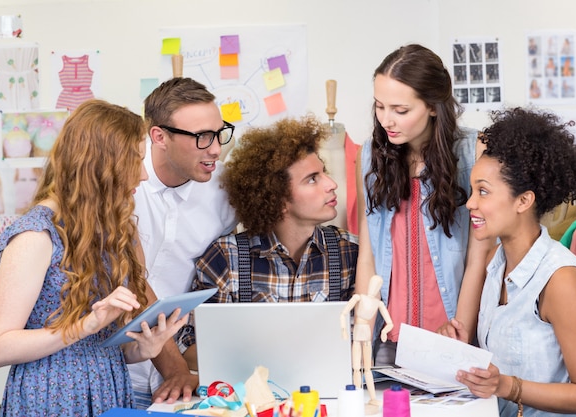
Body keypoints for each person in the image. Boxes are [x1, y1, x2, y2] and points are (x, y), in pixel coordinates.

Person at [0, 100, 189, 416]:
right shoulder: (36, 235)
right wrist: (87, 324)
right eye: (135, 160)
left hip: (109, 392)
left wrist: (143, 348)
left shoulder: (111, 232)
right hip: (49, 399)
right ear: (100, 163)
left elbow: (102, 347)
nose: (142, 175)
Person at [450, 107, 576, 417]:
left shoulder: (561, 280)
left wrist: (508, 387)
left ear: (524, 200)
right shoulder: (496, 262)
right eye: (472, 191)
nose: (470, 203)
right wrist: (456, 351)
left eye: (483, 191)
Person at [178, 115, 358, 369]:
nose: (332, 184)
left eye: (324, 173)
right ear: (278, 199)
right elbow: (187, 344)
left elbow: (362, 345)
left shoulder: (350, 252)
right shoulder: (226, 258)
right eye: (312, 179)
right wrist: (260, 357)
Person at [356, 44, 493, 366]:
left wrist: (461, 330)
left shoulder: (474, 152)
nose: (387, 120)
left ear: (433, 107)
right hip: (390, 335)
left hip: (452, 331)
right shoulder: (370, 155)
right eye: (379, 106)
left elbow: (481, 254)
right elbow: (368, 252)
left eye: (400, 110)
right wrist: (363, 326)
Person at [129, 77, 238, 408]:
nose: (216, 148)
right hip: (121, 368)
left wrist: (187, 371)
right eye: (202, 137)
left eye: (219, 133)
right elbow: (133, 279)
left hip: (187, 378)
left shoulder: (225, 193)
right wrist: (173, 369)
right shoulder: (125, 183)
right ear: (159, 137)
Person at [340, 274, 393, 412]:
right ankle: (358, 395)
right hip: (358, 331)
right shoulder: (359, 297)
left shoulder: (378, 303)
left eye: (377, 285)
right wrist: (344, 329)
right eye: (373, 283)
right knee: (357, 367)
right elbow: (343, 313)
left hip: (366, 332)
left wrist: (384, 332)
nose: (374, 287)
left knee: (368, 368)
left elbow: (390, 323)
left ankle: (372, 397)